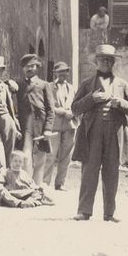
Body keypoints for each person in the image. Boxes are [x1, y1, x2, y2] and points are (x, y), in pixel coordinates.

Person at [71, 44, 128, 222]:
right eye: (103, 60)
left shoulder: (122, 84)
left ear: (113, 63)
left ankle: (110, 213)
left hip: (114, 134)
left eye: (110, 60)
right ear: (96, 62)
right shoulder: (87, 84)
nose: (107, 63)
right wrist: (91, 98)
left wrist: (121, 103)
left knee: (111, 172)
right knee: (89, 171)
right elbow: (75, 108)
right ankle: (84, 211)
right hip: (92, 133)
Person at [19, 53, 52, 187]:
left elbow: (51, 109)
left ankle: (37, 186)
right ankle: (27, 184)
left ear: (37, 68)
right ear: (23, 69)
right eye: (27, 67)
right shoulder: (19, 85)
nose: (29, 69)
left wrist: (48, 128)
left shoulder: (44, 85)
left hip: (41, 124)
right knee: (26, 156)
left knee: (40, 157)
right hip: (25, 125)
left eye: (32, 66)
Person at [46, 60, 77, 190]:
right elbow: (50, 105)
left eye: (64, 72)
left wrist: (73, 112)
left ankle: (60, 183)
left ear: (67, 73)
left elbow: (77, 104)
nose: (62, 74)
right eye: (59, 72)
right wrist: (64, 112)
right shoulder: (49, 87)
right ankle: (45, 183)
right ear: (55, 73)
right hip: (55, 125)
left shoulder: (72, 88)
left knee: (66, 156)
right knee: (51, 155)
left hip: (70, 125)